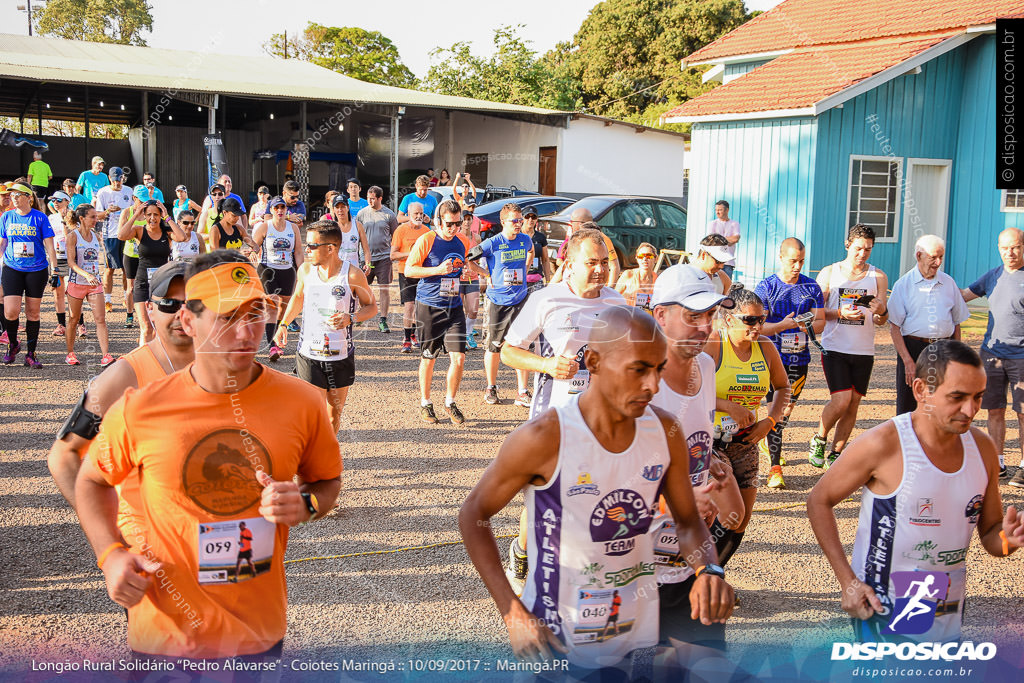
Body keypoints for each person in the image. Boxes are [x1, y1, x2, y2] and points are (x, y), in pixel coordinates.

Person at [75, 251, 342, 661]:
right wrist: (110, 555)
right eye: (227, 316)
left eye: (255, 313)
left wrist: (304, 503)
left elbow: (325, 482)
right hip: (164, 639)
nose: (247, 332)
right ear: (187, 321)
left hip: (258, 636)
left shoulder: (303, 403)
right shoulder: (139, 408)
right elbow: (91, 479)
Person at [459, 305, 733, 672]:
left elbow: (687, 521)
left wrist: (709, 570)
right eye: (638, 369)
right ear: (594, 361)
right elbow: (473, 513)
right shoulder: (545, 438)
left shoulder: (665, 431)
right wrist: (512, 611)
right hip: (558, 638)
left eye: (658, 369)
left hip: (635, 632)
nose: (652, 385)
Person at [807, 340, 1024, 644]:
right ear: (921, 390)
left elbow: (990, 533)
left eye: (978, 397)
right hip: (887, 603)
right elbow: (819, 499)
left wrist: (1008, 539)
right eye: (957, 397)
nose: (970, 409)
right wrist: (848, 582)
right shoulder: (884, 443)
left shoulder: (983, 448)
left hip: (949, 606)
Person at [499, 229, 626, 588]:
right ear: (569, 264)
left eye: (605, 262)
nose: (600, 270)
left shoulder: (618, 303)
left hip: (601, 418)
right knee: (543, 490)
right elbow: (508, 351)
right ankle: (522, 553)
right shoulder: (547, 299)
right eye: (592, 263)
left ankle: (580, 569)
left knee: (594, 491)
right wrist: (547, 366)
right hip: (552, 413)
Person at [649, 264, 743, 648]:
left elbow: (689, 440)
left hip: (682, 562)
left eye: (710, 315)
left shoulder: (705, 366)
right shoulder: (637, 382)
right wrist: (671, 506)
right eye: (693, 316)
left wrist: (709, 460)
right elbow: (597, 485)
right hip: (625, 571)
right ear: (661, 315)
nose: (705, 327)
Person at [49, 260, 193, 509]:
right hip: (147, 538)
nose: (183, 314)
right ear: (150, 309)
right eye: (169, 304)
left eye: (194, 304)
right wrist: (106, 533)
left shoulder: (222, 367)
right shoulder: (125, 375)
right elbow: (63, 456)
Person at [706, 285, 790, 565]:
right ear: (729, 320)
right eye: (750, 320)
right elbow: (686, 392)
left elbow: (782, 388)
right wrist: (728, 405)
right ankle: (695, 579)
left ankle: (713, 574)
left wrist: (770, 421)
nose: (757, 326)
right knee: (730, 512)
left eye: (761, 319)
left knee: (741, 521)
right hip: (711, 441)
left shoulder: (765, 347)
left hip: (746, 442)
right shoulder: (714, 345)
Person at [275, 221, 377, 433]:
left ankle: (327, 452)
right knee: (313, 412)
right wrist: (283, 324)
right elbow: (298, 297)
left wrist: (351, 317)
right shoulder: (305, 270)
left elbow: (371, 307)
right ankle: (313, 461)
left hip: (339, 355)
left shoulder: (352, 275)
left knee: (333, 416)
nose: (307, 250)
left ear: (331, 248)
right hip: (308, 354)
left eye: (312, 245)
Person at [810, 224, 889, 468]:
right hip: (835, 347)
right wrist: (838, 312)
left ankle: (836, 452)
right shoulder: (829, 273)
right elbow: (816, 312)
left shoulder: (878, 276)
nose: (862, 254)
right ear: (848, 245)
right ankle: (820, 438)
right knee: (841, 400)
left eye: (868, 249)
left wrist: (881, 311)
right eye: (858, 248)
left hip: (863, 349)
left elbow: (882, 320)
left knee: (854, 402)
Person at [405, 199, 485, 425]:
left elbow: (467, 264)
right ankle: (426, 403)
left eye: (458, 223)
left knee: (459, 358)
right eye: (449, 224)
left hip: (454, 307)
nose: (454, 228)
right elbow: (410, 270)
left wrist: (486, 275)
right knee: (429, 357)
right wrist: (437, 270)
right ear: (439, 221)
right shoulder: (427, 239)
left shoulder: (462, 240)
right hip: (429, 306)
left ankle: (450, 402)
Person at [754, 237, 825, 489]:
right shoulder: (765, 288)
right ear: (781, 257)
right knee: (777, 412)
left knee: (783, 415)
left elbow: (821, 323)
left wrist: (803, 325)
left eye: (802, 261)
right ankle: (775, 468)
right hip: (770, 360)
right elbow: (758, 326)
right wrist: (783, 325)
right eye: (793, 261)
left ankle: (768, 441)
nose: (797, 266)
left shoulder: (812, 287)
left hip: (798, 360)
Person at [961, 228, 1024, 483]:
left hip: (1022, 356)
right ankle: (997, 463)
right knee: (994, 410)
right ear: (998, 248)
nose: (1009, 252)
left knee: (1022, 412)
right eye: (1004, 247)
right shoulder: (993, 276)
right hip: (991, 355)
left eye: (1016, 247)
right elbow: (963, 296)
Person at [889, 235, 969, 416]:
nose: (938, 262)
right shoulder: (903, 285)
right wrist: (907, 361)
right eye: (933, 257)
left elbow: (956, 322)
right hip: (914, 348)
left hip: (944, 348)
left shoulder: (949, 283)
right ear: (919, 256)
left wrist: (957, 356)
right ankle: (909, 443)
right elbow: (894, 328)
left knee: (943, 402)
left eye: (941, 257)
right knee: (909, 406)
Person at [468, 203, 533, 406]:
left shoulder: (525, 239)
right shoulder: (492, 242)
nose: (518, 224)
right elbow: (469, 258)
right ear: (503, 222)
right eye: (515, 221)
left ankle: (522, 391)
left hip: (520, 299)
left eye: (520, 220)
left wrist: (527, 267)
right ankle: (491, 387)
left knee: (522, 345)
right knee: (494, 346)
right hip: (498, 301)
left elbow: (531, 251)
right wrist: (486, 275)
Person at [0, 182, 58, 367]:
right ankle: (13, 344)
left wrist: (55, 269)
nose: (14, 198)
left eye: (18, 195)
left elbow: (49, 245)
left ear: (29, 197)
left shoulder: (40, 218)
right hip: (12, 267)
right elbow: (2, 243)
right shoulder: (6, 217)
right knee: (10, 311)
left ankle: (31, 354)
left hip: (37, 269)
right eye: (12, 195)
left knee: (33, 313)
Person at [119, 199, 186, 346]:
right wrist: (136, 214)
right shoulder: (139, 230)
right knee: (146, 327)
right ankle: (145, 363)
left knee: (159, 327)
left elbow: (182, 237)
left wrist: (167, 216)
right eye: (149, 214)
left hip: (162, 285)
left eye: (156, 214)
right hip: (143, 283)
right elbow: (121, 236)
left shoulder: (166, 233)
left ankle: (159, 359)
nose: (152, 218)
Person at [252, 196, 304, 361]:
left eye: (282, 208)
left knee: (284, 307)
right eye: (276, 208)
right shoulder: (265, 227)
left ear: (286, 210)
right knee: (272, 306)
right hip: (268, 268)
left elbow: (298, 252)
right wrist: (252, 251)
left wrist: (302, 272)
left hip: (287, 270)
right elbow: (253, 245)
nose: (280, 211)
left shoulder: (293, 228)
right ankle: (272, 344)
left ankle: (278, 335)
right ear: (271, 210)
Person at [63, 204, 113, 367]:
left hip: (94, 284)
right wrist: (86, 275)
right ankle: (70, 353)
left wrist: (97, 274)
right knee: (73, 318)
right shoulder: (73, 236)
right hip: (77, 283)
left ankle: (106, 355)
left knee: (100, 319)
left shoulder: (95, 235)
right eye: (92, 217)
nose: (95, 219)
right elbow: (71, 262)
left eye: (95, 216)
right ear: (82, 219)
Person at [356, 185, 398, 333]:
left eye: (373, 198)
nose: (370, 201)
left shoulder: (389, 215)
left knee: (384, 289)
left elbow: (396, 237)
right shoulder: (361, 214)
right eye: (368, 198)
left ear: (380, 198)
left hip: (384, 258)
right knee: (361, 288)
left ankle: (383, 320)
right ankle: (361, 315)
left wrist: (393, 256)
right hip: (365, 258)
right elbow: (357, 237)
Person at [390, 202, 432, 353]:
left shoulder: (427, 231)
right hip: (406, 272)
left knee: (420, 307)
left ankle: (414, 335)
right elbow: (393, 255)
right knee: (409, 306)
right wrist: (412, 254)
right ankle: (407, 339)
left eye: (421, 213)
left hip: (423, 272)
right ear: (409, 214)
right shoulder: (401, 230)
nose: (419, 216)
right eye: (416, 214)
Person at [93, 166, 135, 315]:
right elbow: (97, 215)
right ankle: (108, 300)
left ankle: (126, 297)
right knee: (109, 268)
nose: (118, 182)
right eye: (115, 179)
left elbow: (134, 210)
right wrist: (108, 211)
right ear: (110, 178)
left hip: (127, 234)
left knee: (126, 268)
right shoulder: (103, 192)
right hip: (109, 234)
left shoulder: (129, 191)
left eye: (120, 179)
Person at [552, 210, 620, 286]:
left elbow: (614, 266)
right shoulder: (575, 238)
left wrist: (610, 287)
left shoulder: (602, 239)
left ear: (580, 223)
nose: (570, 223)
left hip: (598, 287)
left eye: (572, 221)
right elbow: (562, 266)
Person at [45, 191, 72, 337]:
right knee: (58, 292)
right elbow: (48, 238)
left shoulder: (74, 217)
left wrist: (64, 221)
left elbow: (70, 239)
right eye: (53, 200)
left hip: (71, 259)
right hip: (55, 258)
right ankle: (61, 324)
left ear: (67, 202)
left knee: (72, 292)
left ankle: (79, 324)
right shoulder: (50, 218)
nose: (55, 202)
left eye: (59, 200)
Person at [459, 212, 482, 350]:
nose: (467, 222)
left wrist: (483, 274)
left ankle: (468, 333)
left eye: (469, 220)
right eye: (464, 220)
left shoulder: (477, 238)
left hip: (473, 276)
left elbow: (481, 257)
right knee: (458, 308)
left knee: (473, 309)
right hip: (459, 277)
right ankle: (460, 335)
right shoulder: (456, 237)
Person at [329, 194, 370, 271]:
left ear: (348, 207)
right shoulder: (332, 228)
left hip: (353, 269)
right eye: (337, 207)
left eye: (342, 207)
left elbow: (366, 249)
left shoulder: (357, 225)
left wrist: (368, 264)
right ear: (333, 209)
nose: (340, 210)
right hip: (337, 269)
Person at [614, 242, 658, 310]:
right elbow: (614, 298)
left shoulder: (658, 280)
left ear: (656, 259)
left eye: (649, 255)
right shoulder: (628, 275)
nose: (644, 259)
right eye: (640, 256)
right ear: (636, 259)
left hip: (647, 318)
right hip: (627, 316)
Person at [705, 200, 740, 277]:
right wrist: (728, 241)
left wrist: (719, 239)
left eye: (720, 210)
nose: (717, 212)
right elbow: (712, 241)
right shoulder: (712, 224)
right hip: (714, 262)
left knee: (726, 287)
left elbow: (736, 238)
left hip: (728, 263)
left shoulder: (734, 224)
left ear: (727, 210)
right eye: (716, 210)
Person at [521, 206, 551, 292]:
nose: (530, 219)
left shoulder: (540, 237)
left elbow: (545, 260)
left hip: (536, 278)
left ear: (537, 219)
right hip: (519, 278)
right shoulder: (517, 236)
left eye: (533, 217)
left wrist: (548, 280)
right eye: (527, 217)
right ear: (522, 218)